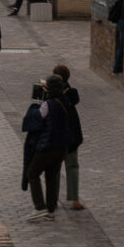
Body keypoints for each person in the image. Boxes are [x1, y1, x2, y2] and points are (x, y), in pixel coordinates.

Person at [20, 78, 72, 219]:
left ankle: (40, 207)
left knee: (32, 173)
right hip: (61, 147)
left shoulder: (47, 105)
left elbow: (34, 120)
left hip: (47, 146)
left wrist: (36, 104)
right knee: (51, 176)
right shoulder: (65, 102)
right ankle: (50, 208)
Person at [48, 60, 84, 209]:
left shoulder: (48, 94)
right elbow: (74, 99)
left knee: (53, 169)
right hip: (71, 137)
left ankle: (52, 200)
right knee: (72, 167)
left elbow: (36, 106)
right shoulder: (71, 93)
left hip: (55, 138)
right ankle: (74, 199)